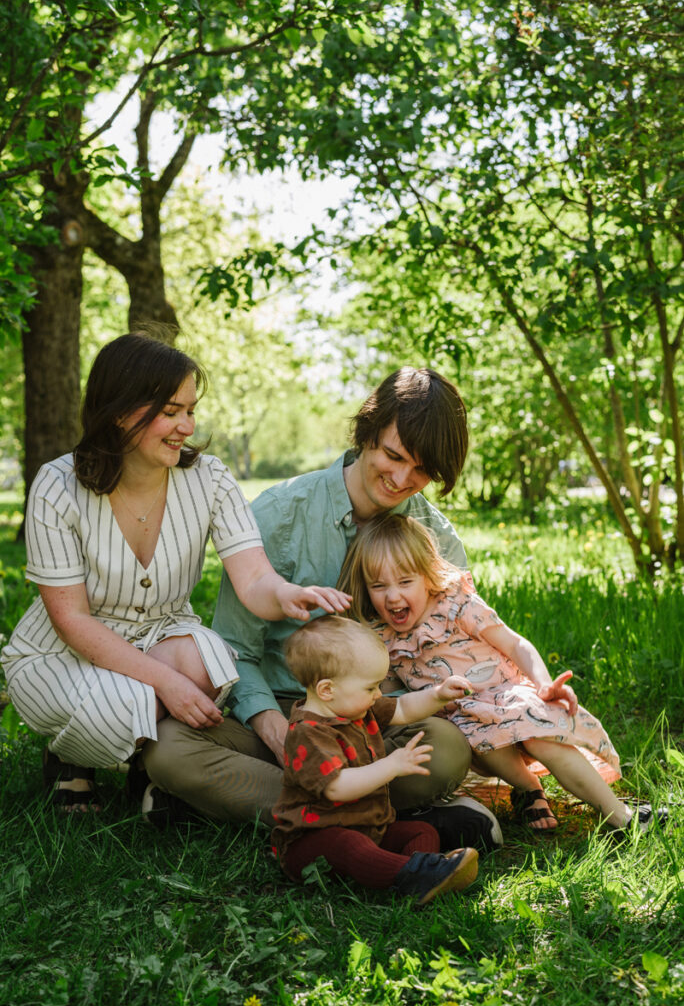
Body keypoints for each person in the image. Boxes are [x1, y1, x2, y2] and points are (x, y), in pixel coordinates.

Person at [143, 367, 502, 851]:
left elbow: (455, 645)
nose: (401, 479)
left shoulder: (433, 537)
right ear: (366, 434)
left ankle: (269, 808)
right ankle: (389, 820)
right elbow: (235, 651)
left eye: (420, 471)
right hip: (284, 712)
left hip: (376, 722)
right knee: (168, 750)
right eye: (393, 456)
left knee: (446, 751)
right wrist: (275, 731)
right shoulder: (279, 514)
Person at [1, 333, 349, 811]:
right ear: (120, 410)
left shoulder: (209, 477)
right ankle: (69, 755)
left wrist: (287, 594)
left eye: (190, 410)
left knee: (207, 666)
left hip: (161, 635)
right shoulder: (56, 485)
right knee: (128, 702)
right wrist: (165, 684)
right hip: (65, 650)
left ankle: (150, 768)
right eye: (170, 411)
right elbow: (72, 620)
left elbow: (253, 579)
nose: (186, 426)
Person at [338, 513, 666, 834]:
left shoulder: (456, 605)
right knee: (476, 734)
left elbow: (515, 645)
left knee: (540, 738)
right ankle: (528, 787)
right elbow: (392, 696)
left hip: (507, 696)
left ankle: (618, 814)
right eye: (378, 586)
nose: (392, 596)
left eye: (405, 582)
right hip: (462, 722)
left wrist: (543, 684)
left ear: (427, 575)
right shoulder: (383, 638)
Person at [272, 615, 479, 905]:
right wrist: (391, 765)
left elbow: (404, 710)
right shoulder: (309, 734)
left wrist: (437, 695)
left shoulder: (356, 707)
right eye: (371, 688)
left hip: (369, 826)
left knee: (421, 830)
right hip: (312, 841)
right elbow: (337, 787)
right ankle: (411, 874)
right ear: (327, 690)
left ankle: (422, 876)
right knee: (348, 844)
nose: (378, 694)